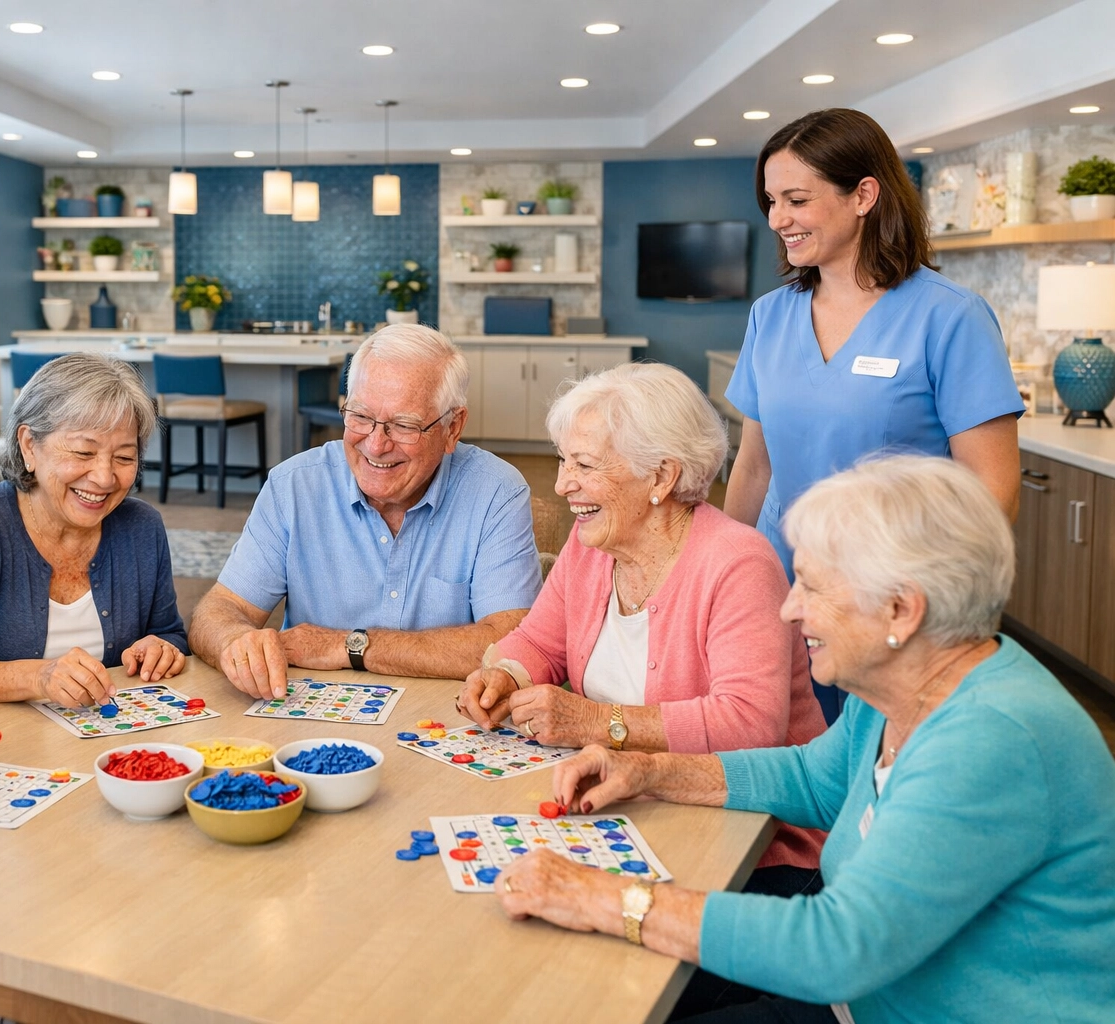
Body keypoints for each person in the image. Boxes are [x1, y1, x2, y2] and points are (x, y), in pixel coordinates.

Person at [496, 456, 1115, 1024]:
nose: (790, 610)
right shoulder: (901, 688)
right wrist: (651, 771)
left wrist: (606, 899)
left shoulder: (990, 741)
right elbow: (812, 779)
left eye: (813, 588)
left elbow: (836, 949)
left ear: (902, 611)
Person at [460, 363, 825, 878]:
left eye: (584, 466)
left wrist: (595, 724)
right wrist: (507, 674)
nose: (563, 485)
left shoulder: (739, 563)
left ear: (661, 476)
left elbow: (750, 726)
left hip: (752, 844)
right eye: (563, 461)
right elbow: (540, 641)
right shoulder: (593, 543)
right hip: (630, 815)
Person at [723, 109, 1022, 718]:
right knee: (789, 754)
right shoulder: (769, 316)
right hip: (786, 585)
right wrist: (725, 573)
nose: (778, 219)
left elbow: (994, 489)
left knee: (877, 768)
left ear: (864, 194)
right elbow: (753, 466)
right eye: (772, 200)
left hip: (894, 595)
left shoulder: (951, 317)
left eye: (797, 199)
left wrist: (930, 601)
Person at [189, 323, 542, 698]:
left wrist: (349, 646)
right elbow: (218, 611)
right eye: (359, 416)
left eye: (403, 425)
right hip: (310, 723)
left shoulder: (496, 492)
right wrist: (236, 639)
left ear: (452, 428)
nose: (375, 445)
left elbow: (514, 644)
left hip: (442, 719)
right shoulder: (293, 486)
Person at [0, 353, 187, 708]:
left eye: (124, 457)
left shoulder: (142, 527)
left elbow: (171, 634)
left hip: (111, 742)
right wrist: (38, 677)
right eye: (83, 452)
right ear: (29, 445)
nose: (105, 477)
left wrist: (162, 649)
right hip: (4, 748)